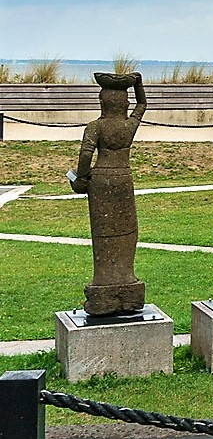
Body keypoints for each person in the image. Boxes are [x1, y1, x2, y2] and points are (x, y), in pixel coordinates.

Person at [70, 72, 147, 315]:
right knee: (126, 230)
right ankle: (125, 278)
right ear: (124, 104)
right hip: (123, 178)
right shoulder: (128, 125)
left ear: (102, 103)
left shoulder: (96, 126)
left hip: (101, 180)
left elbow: (85, 156)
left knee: (103, 233)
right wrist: (138, 84)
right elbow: (143, 105)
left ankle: (104, 281)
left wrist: (81, 177)